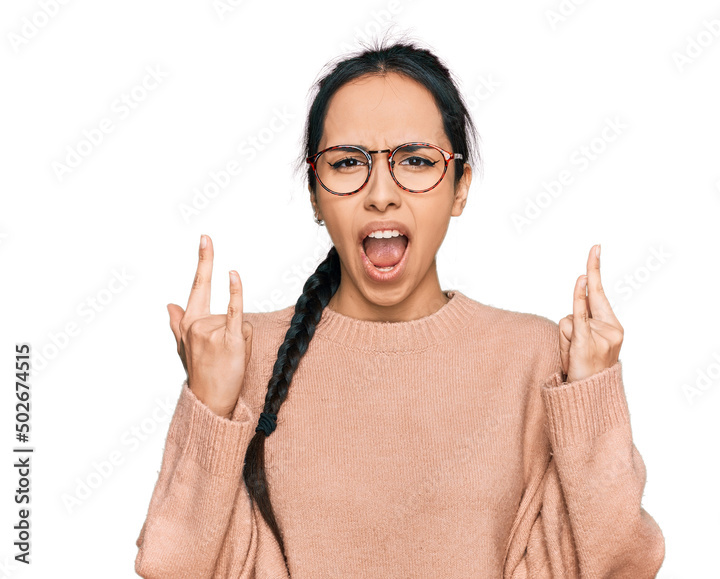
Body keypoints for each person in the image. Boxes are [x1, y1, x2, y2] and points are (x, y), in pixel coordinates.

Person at [133, 36, 665, 578]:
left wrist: (591, 400)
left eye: (414, 160)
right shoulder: (239, 355)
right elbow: (176, 566)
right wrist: (210, 405)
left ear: (460, 189)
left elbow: (618, 565)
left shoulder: (536, 355)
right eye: (346, 163)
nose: (381, 193)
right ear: (315, 195)